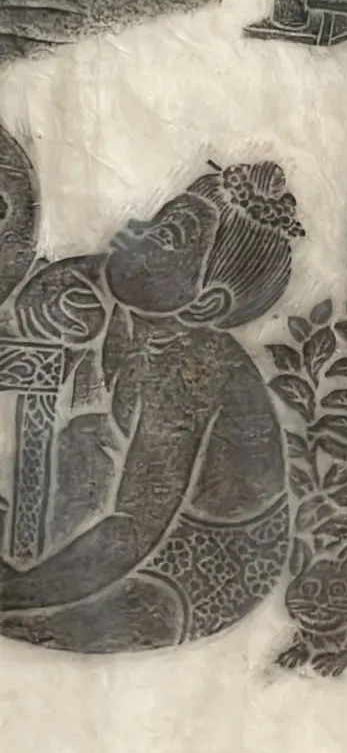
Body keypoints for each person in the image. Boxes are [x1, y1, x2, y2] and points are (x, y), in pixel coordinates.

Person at [0, 161, 303, 654]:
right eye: (158, 219)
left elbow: (132, 530)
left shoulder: (191, 368)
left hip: (201, 568)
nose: (135, 229)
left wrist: (13, 594)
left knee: (32, 627)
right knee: (84, 440)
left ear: (205, 305)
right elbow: (93, 274)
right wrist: (47, 292)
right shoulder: (147, 307)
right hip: (131, 534)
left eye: (166, 236)